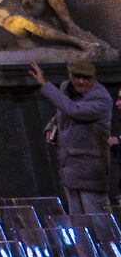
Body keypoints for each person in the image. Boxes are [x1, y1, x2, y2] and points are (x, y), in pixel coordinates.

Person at [32, 57, 116, 213]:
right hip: (69, 168)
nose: (81, 82)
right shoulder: (66, 88)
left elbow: (75, 111)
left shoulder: (102, 98)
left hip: (90, 169)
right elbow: (61, 112)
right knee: (77, 221)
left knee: (98, 219)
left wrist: (45, 85)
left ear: (94, 78)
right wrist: (52, 127)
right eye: (76, 77)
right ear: (70, 76)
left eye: (86, 78)